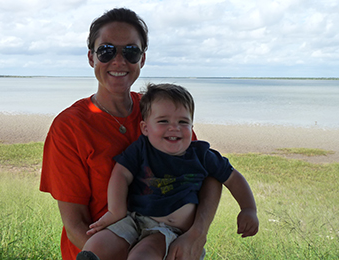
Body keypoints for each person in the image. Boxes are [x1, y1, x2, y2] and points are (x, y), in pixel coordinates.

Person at [40, 8, 224, 260]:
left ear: (142, 59)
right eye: (106, 51)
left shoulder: (161, 113)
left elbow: (209, 173)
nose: (118, 61)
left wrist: (198, 234)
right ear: (91, 58)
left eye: (130, 51)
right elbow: (76, 226)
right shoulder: (70, 127)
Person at [76, 83, 259, 260]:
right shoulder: (141, 149)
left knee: (143, 255)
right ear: (145, 128)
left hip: (167, 232)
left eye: (183, 122)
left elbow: (233, 178)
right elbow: (121, 174)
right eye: (163, 121)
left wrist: (248, 209)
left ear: (192, 127)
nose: (174, 127)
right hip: (134, 219)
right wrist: (116, 211)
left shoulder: (202, 155)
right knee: (97, 244)